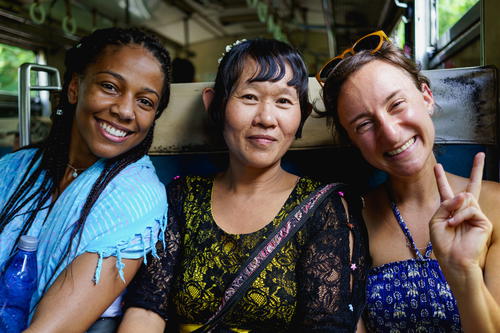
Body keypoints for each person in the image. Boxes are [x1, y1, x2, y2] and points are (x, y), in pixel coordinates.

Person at [119, 38, 369, 332]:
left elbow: (326, 325)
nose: (266, 118)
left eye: (284, 101)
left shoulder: (324, 208)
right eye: (249, 97)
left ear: (301, 113)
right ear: (215, 104)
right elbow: (146, 310)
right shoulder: (181, 197)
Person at [317, 30, 500, 332]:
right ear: (353, 142)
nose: (390, 133)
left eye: (396, 104)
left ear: (426, 97)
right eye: (364, 124)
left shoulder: (495, 204)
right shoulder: (349, 221)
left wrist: (465, 273)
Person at [0, 27, 171, 332]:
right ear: (75, 88)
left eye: (145, 102)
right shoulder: (14, 169)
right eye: (110, 86)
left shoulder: (137, 196)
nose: (124, 110)